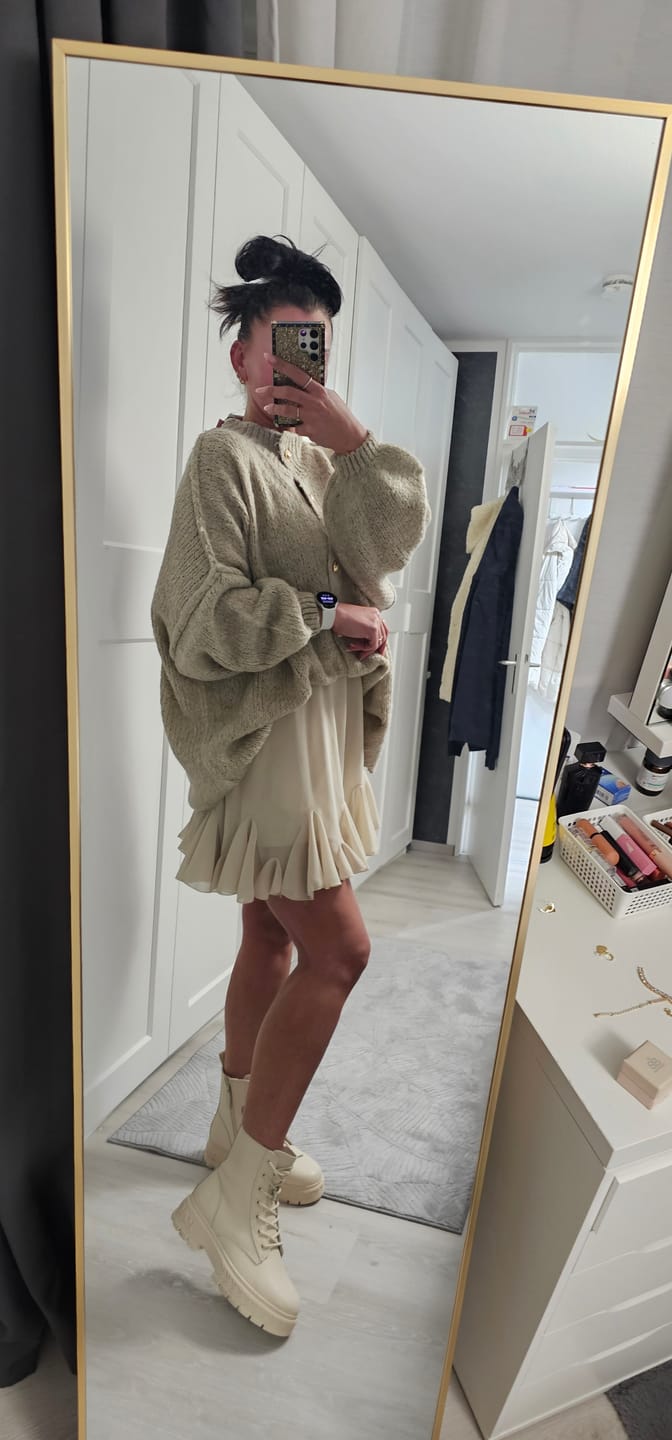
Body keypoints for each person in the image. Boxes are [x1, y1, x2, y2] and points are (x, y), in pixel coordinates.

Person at [151, 234, 430, 1337]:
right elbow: (200, 620)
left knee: (270, 936)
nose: (298, 367)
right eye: (283, 344)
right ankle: (239, 1200)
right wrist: (323, 614)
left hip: (317, 731)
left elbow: (384, 552)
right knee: (342, 953)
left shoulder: (319, 463)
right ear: (241, 356)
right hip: (270, 741)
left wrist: (352, 442)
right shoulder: (219, 461)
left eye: (316, 347)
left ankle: (233, 1128)